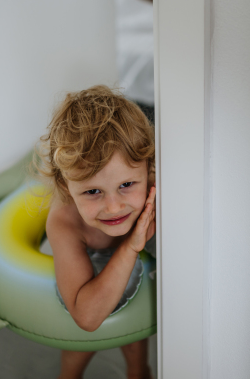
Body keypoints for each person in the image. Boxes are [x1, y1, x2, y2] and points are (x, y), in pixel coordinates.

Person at [34, 85, 156, 379]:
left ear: (148, 170)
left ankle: (138, 372)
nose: (113, 207)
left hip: (130, 270)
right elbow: (86, 317)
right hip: (89, 264)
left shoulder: (153, 185)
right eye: (92, 191)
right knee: (81, 344)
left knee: (134, 331)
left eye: (126, 185)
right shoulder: (64, 221)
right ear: (66, 188)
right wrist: (130, 246)